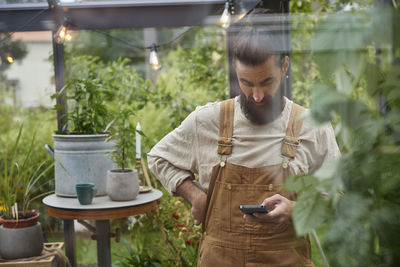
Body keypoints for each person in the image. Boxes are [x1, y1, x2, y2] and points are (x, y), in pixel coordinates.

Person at [147, 25, 340, 266]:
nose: (257, 95)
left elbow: (337, 199)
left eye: (266, 82)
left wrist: (294, 208)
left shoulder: (313, 126)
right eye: (246, 83)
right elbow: (158, 157)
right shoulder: (207, 121)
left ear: (285, 67)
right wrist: (195, 196)